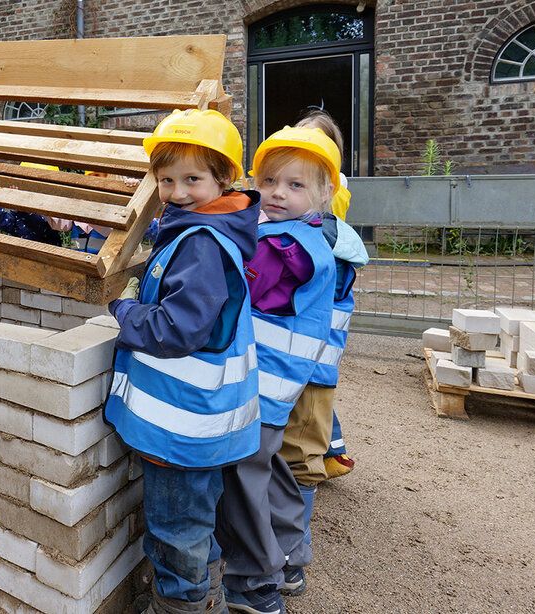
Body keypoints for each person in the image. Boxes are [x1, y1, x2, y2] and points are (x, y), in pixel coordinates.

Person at [104, 109, 262, 614]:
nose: (176, 191)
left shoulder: (200, 245)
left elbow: (175, 330)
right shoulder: (199, 231)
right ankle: (204, 598)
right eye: (166, 179)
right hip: (197, 427)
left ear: (223, 178)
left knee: (175, 534)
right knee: (196, 527)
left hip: (181, 432)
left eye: (193, 179)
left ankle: (181, 607)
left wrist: (124, 309)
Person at [216, 126, 342, 613]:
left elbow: (242, 284)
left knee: (243, 476)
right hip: (280, 386)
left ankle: (255, 583)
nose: (276, 194)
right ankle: (290, 554)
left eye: (295, 185)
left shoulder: (283, 248)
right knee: (270, 466)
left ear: (325, 194)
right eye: (268, 181)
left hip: (262, 387)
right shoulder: (303, 235)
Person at [294, 110, 360, 480]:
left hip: (317, 320)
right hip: (317, 324)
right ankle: (332, 451)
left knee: (313, 389)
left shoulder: (331, 194)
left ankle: (324, 458)